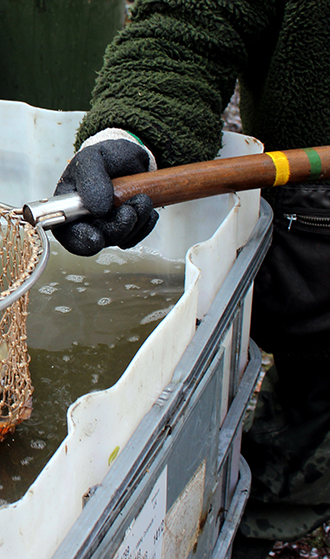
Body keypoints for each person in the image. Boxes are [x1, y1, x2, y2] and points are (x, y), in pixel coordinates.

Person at [52, 0, 330, 555]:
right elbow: (190, 24)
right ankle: (267, 517)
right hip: (315, 245)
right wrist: (132, 132)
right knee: (310, 409)